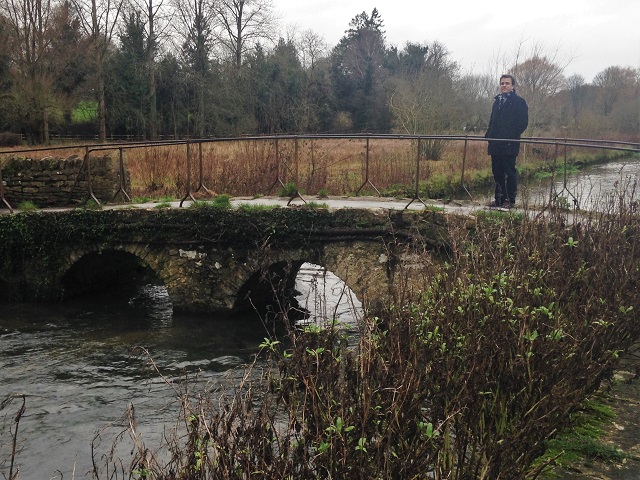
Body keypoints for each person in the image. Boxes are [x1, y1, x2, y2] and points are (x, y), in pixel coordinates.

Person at [485, 74, 528, 208]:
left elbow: (522, 123)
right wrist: (488, 136)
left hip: (509, 144)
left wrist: (510, 136)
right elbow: (492, 121)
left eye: (507, 83)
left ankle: (510, 201)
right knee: (497, 172)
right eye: (502, 83)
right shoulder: (497, 101)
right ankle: (499, 200)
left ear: (513, 86)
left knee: (509, 172)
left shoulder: (519, 102)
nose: (504, 85)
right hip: (495, 143)